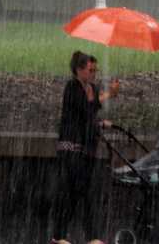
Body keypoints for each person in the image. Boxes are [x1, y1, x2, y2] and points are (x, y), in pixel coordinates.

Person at [51, 50, 120, 244]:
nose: (93, 74)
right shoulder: (72, 88)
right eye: (90, 70)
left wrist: (100, 123)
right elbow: (83, 110)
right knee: (81, 193)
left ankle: (61, 235)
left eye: (95, 70)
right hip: (72, 149)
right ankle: (88, 236)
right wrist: (109, 96)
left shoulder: (94, 88)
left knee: (79, 194)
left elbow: (89, 117)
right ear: (79, 70)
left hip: (87, 150)